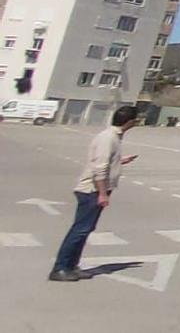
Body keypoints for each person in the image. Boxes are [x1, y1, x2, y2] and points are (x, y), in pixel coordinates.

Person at [49, 104, 140, 282]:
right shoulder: (108, 138)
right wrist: (102, 194)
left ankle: (71, 266)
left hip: (96, 189)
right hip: (91, 190)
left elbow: (105, 161)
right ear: (130, 122)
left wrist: (120, 161)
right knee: (80, 230)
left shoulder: (113, 136)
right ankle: (60, 267)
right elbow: (100, 168)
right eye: (135, 120)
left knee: (85, 229)